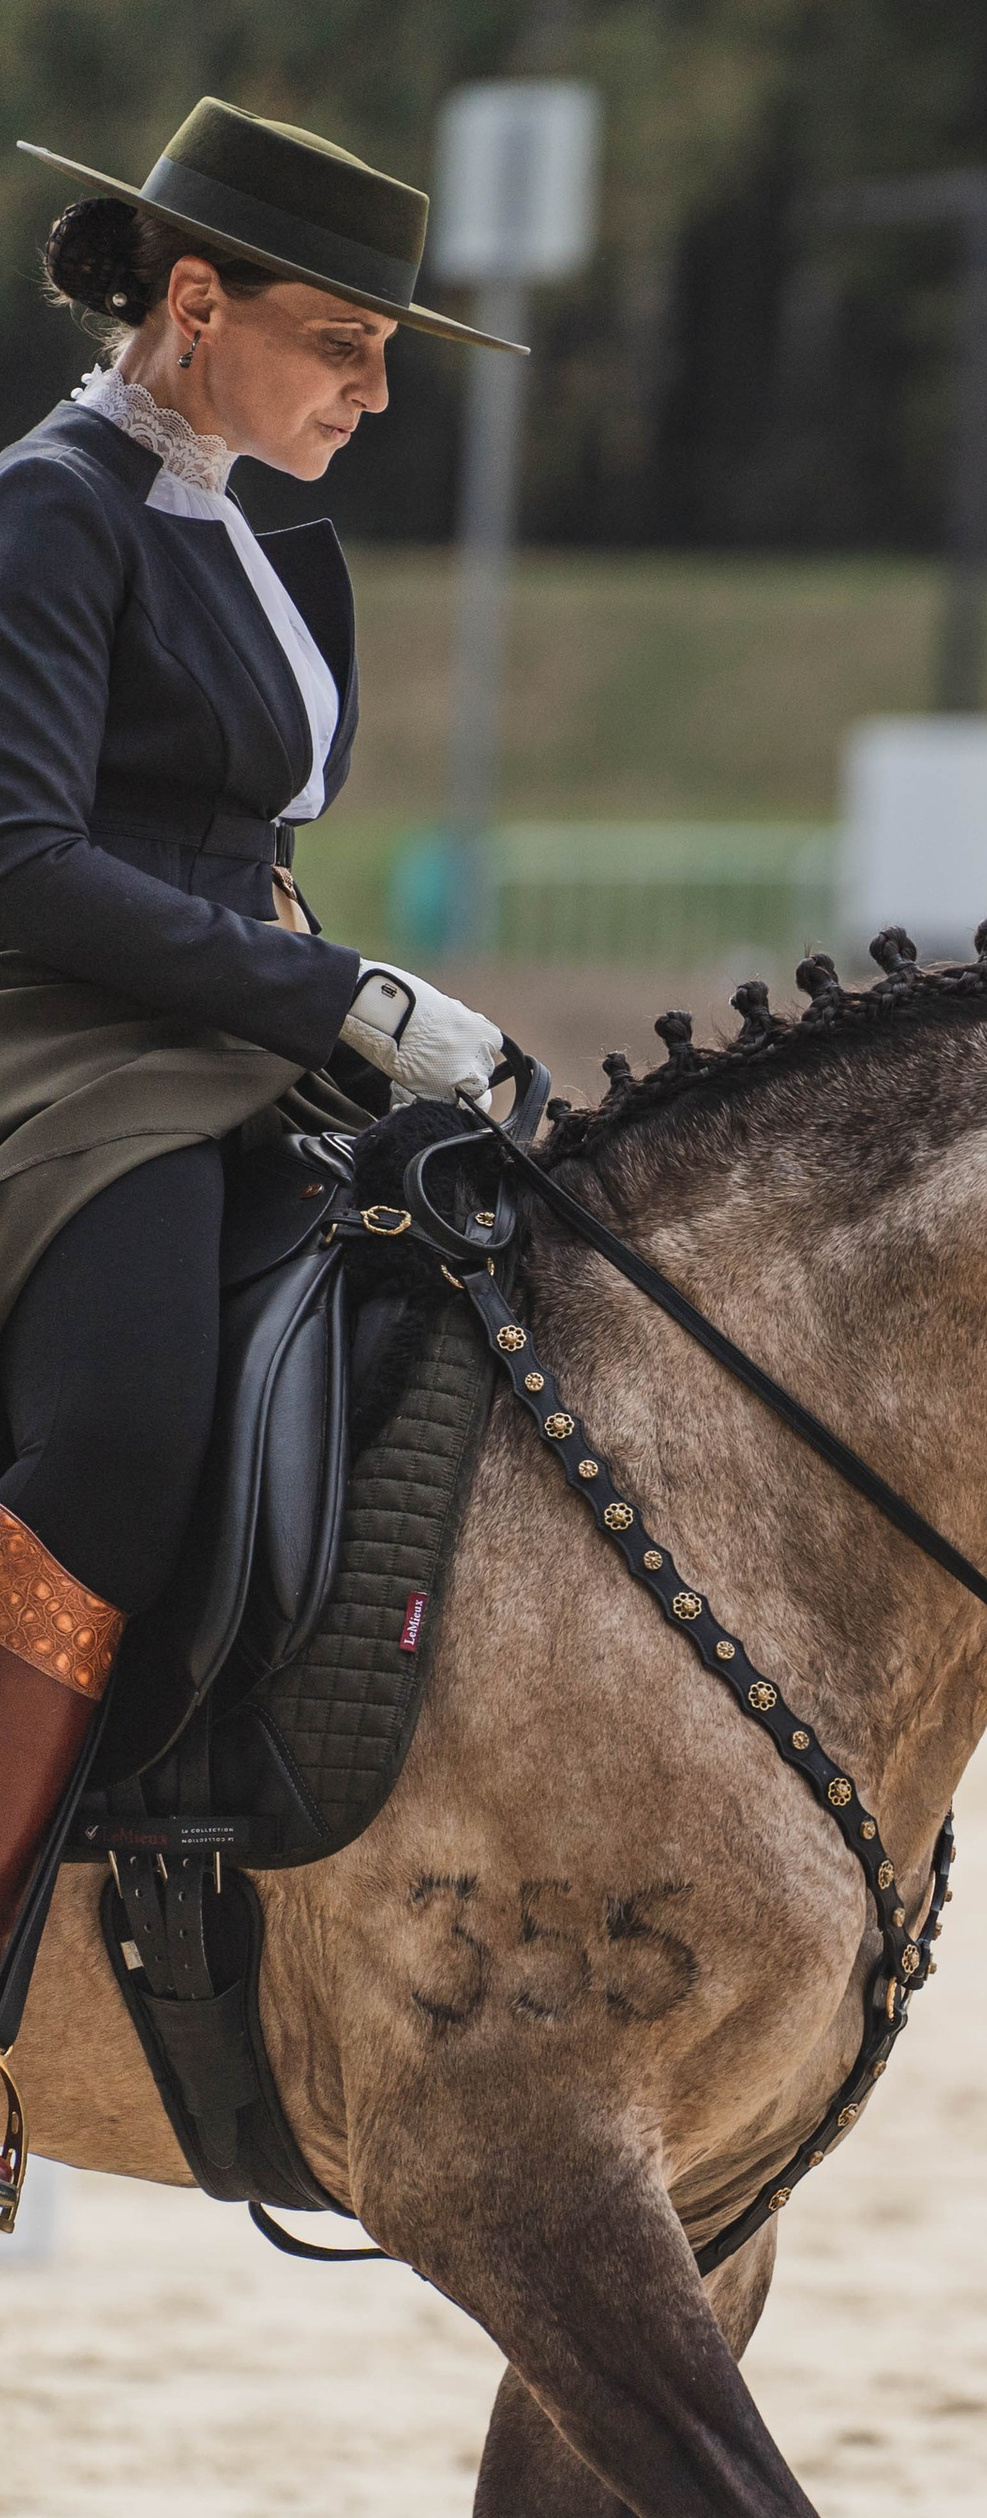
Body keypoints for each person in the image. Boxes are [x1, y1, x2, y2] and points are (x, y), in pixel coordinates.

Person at [0, 100, 523, 1950]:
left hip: (253, 1025)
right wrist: (344, 995)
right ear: (198, 301)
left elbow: (243, 858)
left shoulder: (269, 544)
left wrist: (353, 1007)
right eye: (349, 343)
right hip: (69, 1050)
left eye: (386, 354)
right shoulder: (46, 511)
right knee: (129, 1420)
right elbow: (29, 862)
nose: (376, 392)